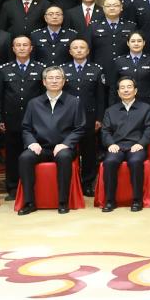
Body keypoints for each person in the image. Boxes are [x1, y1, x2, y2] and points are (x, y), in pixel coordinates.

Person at [16, 66, 86, 215]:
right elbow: (26, 128)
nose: (54, 81)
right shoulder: (34, 103)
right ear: (44, 82)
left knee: (64, 157)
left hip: (64, 148)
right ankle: (29, 202)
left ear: (64, 81)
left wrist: (65, 144)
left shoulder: (74, 102)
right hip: (40, 147)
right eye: (50, 78)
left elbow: (79, 128)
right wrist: (32, 142)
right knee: (24, 158)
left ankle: (62, 202)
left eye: (58, 78)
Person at [0, 35, 46, 199]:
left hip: (35, 121)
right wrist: (0, 119)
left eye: (25, 45)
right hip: (11, 120)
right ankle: (12, 188)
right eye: (18, 45)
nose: (21, 48)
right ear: (13, 49)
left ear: (31, 48)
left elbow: (44, 97)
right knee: (12, 155)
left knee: (33, 153)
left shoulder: (41, 69)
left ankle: (33, 187)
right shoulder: (4, 69)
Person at [99, 77, 150, 212]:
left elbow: (149, 129)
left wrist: (141, 143)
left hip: (136, 146)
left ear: (135, 90)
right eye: (122, 88)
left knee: (136, 162)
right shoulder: (110, 110)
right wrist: (110, 144)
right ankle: (110, 201)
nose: (126, 90)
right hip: (116, 146)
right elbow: (105, 131)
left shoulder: (146, 108)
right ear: (118, 92)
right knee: (109, 162)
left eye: (129, 87)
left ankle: (137, 200)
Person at [61, 39, 106, 196]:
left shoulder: (96, 69)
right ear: (70, 51)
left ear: (88, 51)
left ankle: (87, 183)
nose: (79, 50)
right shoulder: (62, 70)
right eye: (75, 48)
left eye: (82, 48)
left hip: (89, 118)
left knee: (89, 152)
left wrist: (99, 118)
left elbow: (101, 97)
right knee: (68, 150)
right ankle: (70, 183)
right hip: (67, 118)